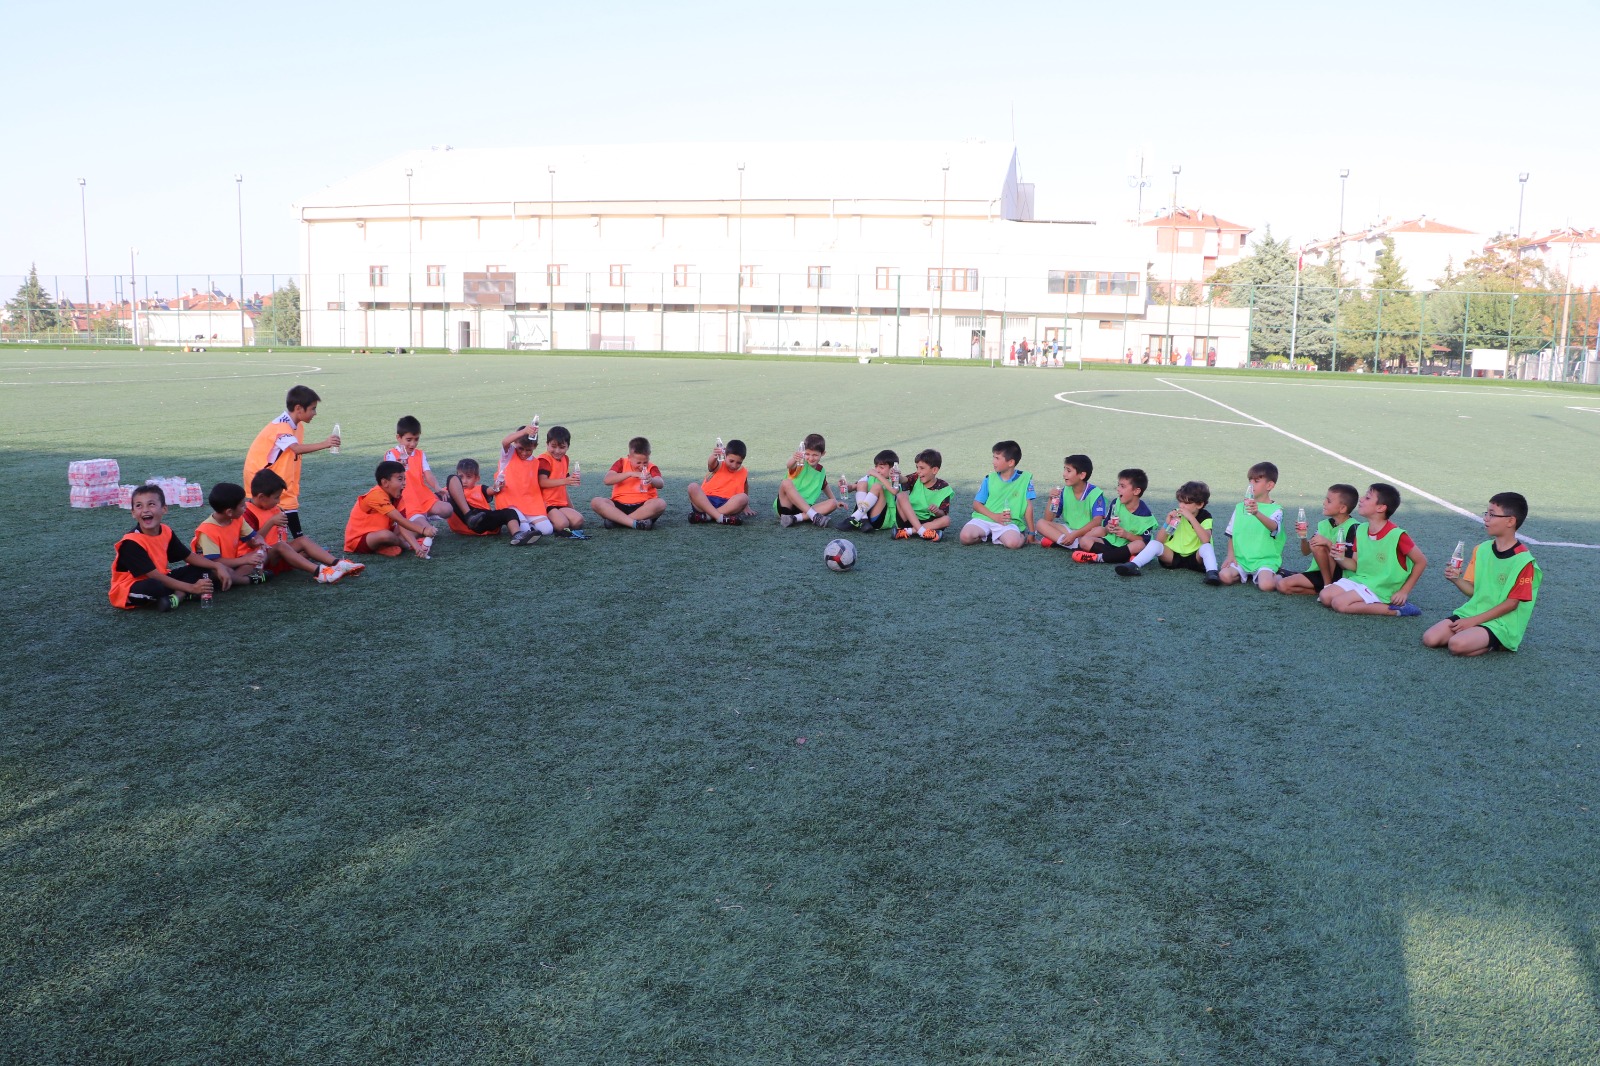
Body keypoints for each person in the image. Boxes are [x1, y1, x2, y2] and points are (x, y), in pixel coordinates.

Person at [1423, 493, 1541, 655]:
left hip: (1502, 623)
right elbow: (1473, 591)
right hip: (1474, 612)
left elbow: (1511, 604)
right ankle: (1478, 638)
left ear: (1510, 521)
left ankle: (1500, 644)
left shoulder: (1524, 561)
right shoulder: (1482, 549)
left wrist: (1472, 622)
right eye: (1486, 513)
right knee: (1430, 638)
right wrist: (1456, 579)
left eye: (1492, 514)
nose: (1485, 518)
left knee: (1456, 645)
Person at [110, 484, 235, 611]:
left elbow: (188, 556)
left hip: (162, 577)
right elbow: (154, 576)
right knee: (155, 586)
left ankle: (177, 596)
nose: (145, 510)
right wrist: (192, 587)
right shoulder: (131, 542)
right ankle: (186, 593)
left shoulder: (166, 531)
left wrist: (217, 566)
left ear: (164, 509)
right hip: (131, 587)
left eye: (151, 504)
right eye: (139, 506)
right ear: (133, 513)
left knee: (202, 568)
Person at [243, 384, 340, 541]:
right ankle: (298, 543)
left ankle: (293, 543)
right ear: (299, 408)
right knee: (284, 506)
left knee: (282, 508)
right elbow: (296, 449)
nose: (315, 413)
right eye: (313, 408)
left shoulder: (297, 426)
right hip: (261, 477)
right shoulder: (282, 427)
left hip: (274, 475)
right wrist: (326, 443)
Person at [1318, 482, 1428, 617]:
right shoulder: (1361, 529)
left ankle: (1397, 609)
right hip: (1362, 579)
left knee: (1339, 604)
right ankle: (1369, 601)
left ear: (1381, 508)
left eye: (1368, 498)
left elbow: (1421, 561)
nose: (1361, 499)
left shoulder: (1397, 535)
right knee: (1325, 596)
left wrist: (1404, 591)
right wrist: (1339, 557)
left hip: (1383, 586)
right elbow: (1355, 565)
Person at [246, 469, 362, 583]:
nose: (278, 501)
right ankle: (320, 573)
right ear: (261, 497)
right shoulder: (248, 512)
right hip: (259, 560)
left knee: (302, 540)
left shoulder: (274, 508)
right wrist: (271, 522)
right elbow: (252, 543)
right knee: (281, 546)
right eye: (276, 497)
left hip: (278, 554)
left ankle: (338, 564)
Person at [1113, 480, 1218, 578]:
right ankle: (1133, 565)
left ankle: (1212, 573)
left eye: (1186, 503)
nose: (1182, 506)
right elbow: (1160, 541)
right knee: (1154, 544)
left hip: (1195, 558)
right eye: (1180, 502)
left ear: (1199, 504)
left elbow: (1205, 540)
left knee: (1207, 547)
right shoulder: (1177, 514)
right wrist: (1167, 523)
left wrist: (1190, 518)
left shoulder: (1205, 516)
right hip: (1173, 556)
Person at [383, 416, 453, 555]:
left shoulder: (420, 454)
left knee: (448, 509)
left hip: (423, 497)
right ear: (399, 438)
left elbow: (428, 474)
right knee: (428, 531)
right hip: (408, 502)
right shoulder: (391, 454)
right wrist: (399, 466)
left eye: (416, 439)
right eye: (409, 440)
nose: (413, 444)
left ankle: (422, 519)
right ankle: (418, 524)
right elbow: (390, 479)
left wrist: (437, 487)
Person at [1277, 484, 1359, 596]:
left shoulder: (1354, 527)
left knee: (1319, 545)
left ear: (1342, 508)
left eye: (1329, 501)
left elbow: (1349, 565)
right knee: (1282, 585)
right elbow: (1306, 551)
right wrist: (1303, 536)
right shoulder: (1324, 524)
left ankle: (1327, 586)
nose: (1324, 503)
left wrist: (1328, 543)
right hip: (1322, 571)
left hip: (1343, 575)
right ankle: (1325, 590)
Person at [344, 460, 437, 558]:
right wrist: (422, 531)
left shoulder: (398, 497)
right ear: (385, 482)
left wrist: (417, 547)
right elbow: (399, 520)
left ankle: (388, 545)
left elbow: (402, 524)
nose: (404, 483)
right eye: (400, 479)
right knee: (386, 535)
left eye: (404, 479)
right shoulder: (376, 495)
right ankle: (401, 544)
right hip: (359, 540)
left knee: (415, 525)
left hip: (384, 531)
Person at [1216, 461, 1286, 590]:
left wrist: (1256, 513)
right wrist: (1230, 555)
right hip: (1241, 559)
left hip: (1265, 560)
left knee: (1266, 586)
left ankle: (1279, 574)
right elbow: (1231, 535)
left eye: (1256, 481)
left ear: (1269, 485)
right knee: (1224, 576)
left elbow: (1273, 527)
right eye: (1250, 481)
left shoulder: (1277, 510)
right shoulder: (1240, 507)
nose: (1251, 484)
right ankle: (1246, 575)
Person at [189, 481, 269, 586]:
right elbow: (215, 561)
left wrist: (259, 541)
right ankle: (247, 580)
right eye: (242, 505)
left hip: (232, 563)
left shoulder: (238, 519)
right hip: (211, 567)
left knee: (260, 555)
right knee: (224, 570)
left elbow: (255, 536)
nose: (246, 507)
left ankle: (233, 579)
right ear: (229, 512)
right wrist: (245, 560)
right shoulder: (207, 530)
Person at [959, 440, 1035, 549]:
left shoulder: (1025, 479)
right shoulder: (989, 478)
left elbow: (1028, 506)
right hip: (985, 518)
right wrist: (995, 516)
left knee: (1013, 543)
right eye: (993, 457)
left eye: (997, 458)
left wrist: (1032, 533)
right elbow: (976, 504)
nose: (993, 462)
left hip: (1008, 522)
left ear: (1011, 462)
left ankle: (1018, 535)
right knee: (965, 537)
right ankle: (989, 535)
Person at [1071, 469, 1157, 564]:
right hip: (1112, 541)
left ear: (1136, 491)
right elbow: (1105, 526)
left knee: (1139, 545)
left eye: (1122, 486)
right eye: (1118, 485)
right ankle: (1123, 557)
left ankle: (1099, 557)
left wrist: (1126, 535)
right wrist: (1108, 527)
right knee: (1085, 540)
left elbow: (1145, 541)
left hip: (1129, 546)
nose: (1118, 489)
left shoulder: (1145, 515)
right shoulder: (1116, 503)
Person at [496, 422, 554, 545]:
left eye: (528, 450)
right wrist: (523, 432)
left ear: (535, 446)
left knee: (548, 530)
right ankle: (526, 527)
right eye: (520, 448)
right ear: (515, 443)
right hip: (510, 502)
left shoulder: (535, 462)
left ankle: (530, 527)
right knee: (524, 530)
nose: (523, 453)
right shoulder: (509, 454)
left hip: (530, 503)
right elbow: (505, 442)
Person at [592, 436, 666, 530]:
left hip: (643, 506)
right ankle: (635, 523)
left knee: (660, 503)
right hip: (618, 505)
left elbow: (660, 483)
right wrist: (630, 474)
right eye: (638, 463)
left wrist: (652, 480)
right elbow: (607, 480)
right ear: (629, 457)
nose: (642, 466)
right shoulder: (621, 463)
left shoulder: (652, 467)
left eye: (645, 462)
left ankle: (618, 521)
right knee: (596, 502)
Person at [1037, 453, 1108, 551]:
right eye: (1064, 469)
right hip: (1069, 530)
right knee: (1040, 523)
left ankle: (1063, 542)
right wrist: (1051, 499)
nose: (1064, 474)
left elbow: (1097, 521)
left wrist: (1075, 534)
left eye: (1068, 471)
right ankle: (1075, 545)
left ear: (1082, 475)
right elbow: (1048, 519)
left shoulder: (1095, 493)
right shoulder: (1064, 491)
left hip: (1088, 532)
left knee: (1100, 530)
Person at [775, 433, 839, 527]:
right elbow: (789, 465)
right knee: (786, 482)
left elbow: (824, 484)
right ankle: (813, 516)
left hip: (804, 509)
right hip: (787, 505)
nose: (811, 458)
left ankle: (794, 518)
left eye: (815, 455)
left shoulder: (821, 471)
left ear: (823, 453)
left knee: (833, 503)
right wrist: (794, 458)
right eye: (807, 454)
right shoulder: (800, 463)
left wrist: (836, 501)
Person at [445, 458, 520, 537]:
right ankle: (470, 517)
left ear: (477, 478)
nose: (464, 481)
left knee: (510, 512)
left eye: (469, 477)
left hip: (482, 520)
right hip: (464, 522)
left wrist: (497, 487)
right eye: (460, 477)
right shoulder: (449, 490)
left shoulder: (480, 488)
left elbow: (492, 490)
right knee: (450, 482)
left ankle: (518, 535)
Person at [536, 425, 587, 538]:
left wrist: (571, 507)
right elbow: (542, 482)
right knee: (563, 524)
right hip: (546, 504)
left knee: (578, 520)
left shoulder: (565, 459)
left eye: (562, 447)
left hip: (560, 503)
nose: (557, 451)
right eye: (553, 446)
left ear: (568, 446)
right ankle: (538, 524)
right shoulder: (544, 460)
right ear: (547, 444)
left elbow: (562, 487)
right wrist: (565, 481)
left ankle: (555, 522)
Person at [891, 448, 952, 541]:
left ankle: (908, 531)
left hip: (928, 521)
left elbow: (943, 513)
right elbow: (904, 480)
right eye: (917, 467)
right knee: (901, 495)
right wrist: (897, 476)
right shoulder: (916, 477)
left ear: (934, 470)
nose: (918, 471)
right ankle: (922, 532)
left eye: (922, 468)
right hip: (908, 518)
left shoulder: (944, 487)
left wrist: (937, 511)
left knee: (946, 520)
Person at [688, 439, 752, 524]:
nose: (734, 465)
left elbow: (745, 486)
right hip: (706, 502)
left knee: (744, 498)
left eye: (738, 463)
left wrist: (746, 506)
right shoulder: (719, 464)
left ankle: (707, 516)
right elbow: (711, 465)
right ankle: (720, 517)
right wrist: (714, 456)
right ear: (725, 455)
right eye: (731, 461)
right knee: (692, 487)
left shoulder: (743, 471)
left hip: (727, 505)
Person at [846, 449, 900, 532]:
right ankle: (863, 519)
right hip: (865, 516)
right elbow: (853, 487)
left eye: (881, 467)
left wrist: (877, 475)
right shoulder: (871, 477)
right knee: (861, 483)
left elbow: (894, 491)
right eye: (876, 466)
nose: (877, 470)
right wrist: (846, 487)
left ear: (892, 469)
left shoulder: (895, 480)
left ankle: (855, 518)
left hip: (881, 519)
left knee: (877, 486)